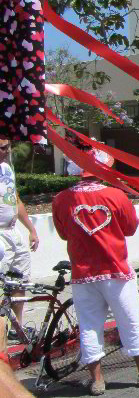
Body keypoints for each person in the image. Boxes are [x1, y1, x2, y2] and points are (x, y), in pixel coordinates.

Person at [52, 148, 139, 395]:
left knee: (88, 325)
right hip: (115, 270)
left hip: (82, 274)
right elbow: (130, 228)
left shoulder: (61, 199)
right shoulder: (115, 195)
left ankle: (97, 380)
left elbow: (63, 233)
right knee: (130, 319)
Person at [0, 138, 39, 341]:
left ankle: (17, 327)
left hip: (13, 231)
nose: (7, 151)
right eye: (2, 148)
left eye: (7, 147)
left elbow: (15, 199)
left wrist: (31, 229)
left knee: (20, 281)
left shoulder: (7, 168)